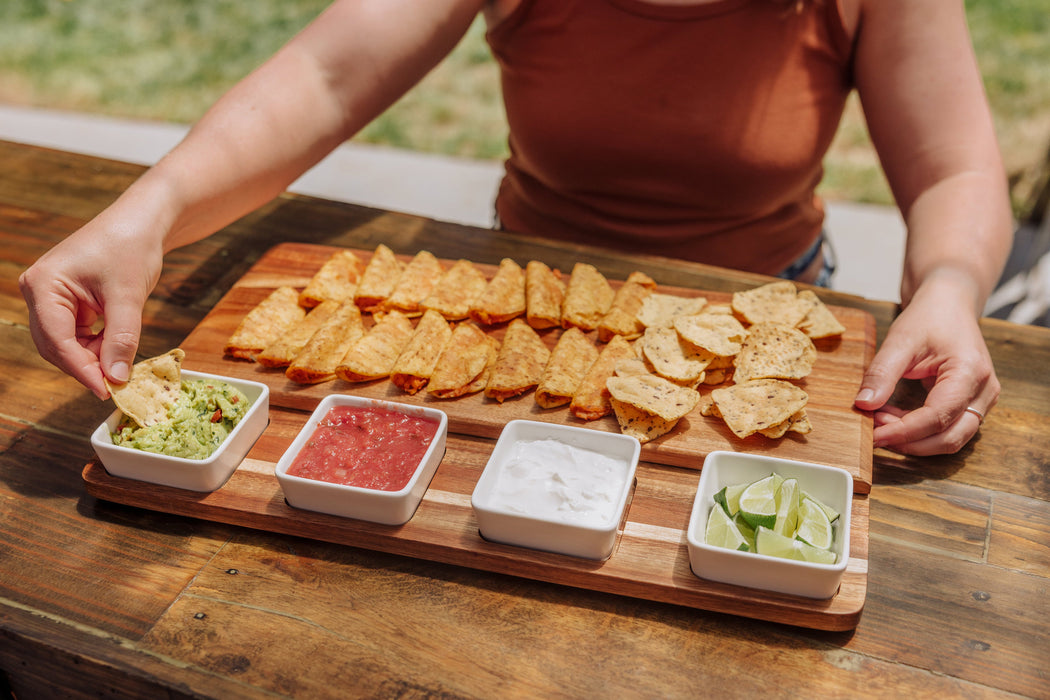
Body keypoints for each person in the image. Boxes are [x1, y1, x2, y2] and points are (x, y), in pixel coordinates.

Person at [18, 0, 1012, 456]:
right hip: (510, 324)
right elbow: (324, 75)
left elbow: (957, 167)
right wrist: (145, 215)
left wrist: (952, 291)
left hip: (771, 307)